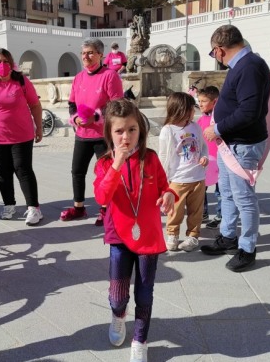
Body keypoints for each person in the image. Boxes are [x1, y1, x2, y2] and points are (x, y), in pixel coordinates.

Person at [93, 99, 176, 362]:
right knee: (118, 296)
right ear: (110, 134)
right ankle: (118, 315)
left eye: (131, 129)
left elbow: (165, 186)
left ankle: (140, 338)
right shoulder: (105, 164)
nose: (126, 136)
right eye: (119, 131)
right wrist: (117, 163)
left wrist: (170, 195)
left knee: (144, 292)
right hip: (119, 235)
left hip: (148, 236)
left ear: (140, 129)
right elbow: (101, 197)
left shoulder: (150, 159)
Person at [202, 25, 270, 272]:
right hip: (230, 144)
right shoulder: (242, 65)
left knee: (244, 197)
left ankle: (248, 248)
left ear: (219, 50)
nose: (215, 58)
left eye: (213, 54)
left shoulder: (250, 66)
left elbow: (249, 112)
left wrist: (217, 129)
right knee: (228, 193)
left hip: (242, 144)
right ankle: (228, 237)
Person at [0, 48, 44, 225]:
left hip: (22, 135)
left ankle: (33, 209)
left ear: (12, 63)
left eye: (6, 61)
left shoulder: (21, 80)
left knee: (23, 169)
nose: (2, 65)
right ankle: (9, 205)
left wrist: (39, 127)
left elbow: (35, 105)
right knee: (3, 173)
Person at [60, 37, 124, 225]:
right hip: (82, 134)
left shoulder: (110, 75)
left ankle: (106, 209)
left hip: (102, 135)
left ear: (100, 54)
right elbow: (72, 104)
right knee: (77, 171)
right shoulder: (78, 77)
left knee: (105, 174)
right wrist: (76, 119)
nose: (86, 56)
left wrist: (95, 118)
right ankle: (79, 207)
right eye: (83, 53)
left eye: (90, 52)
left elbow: (117, 106)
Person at [158, 92, 208, 252]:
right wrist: (163, 179)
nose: (194, 111)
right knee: (175, 210)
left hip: (198, 177)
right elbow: (163, 155)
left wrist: (204, 157)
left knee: (196, 211)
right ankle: (172, 234)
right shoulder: (168, 130)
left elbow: (203, 146)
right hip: (178, 179)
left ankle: (193, 236)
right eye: (191, 108)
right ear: (181, 109)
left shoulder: (195, 126)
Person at [196, 86, 223, 229]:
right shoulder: (200, 120)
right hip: (205, 161)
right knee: (202, 189)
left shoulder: (220, 120)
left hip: (220, 160)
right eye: (199, 100)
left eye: (204, 101)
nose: (200, 104)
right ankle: (203, 213)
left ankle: (221, 215)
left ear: (214, 102)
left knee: (220, 191)